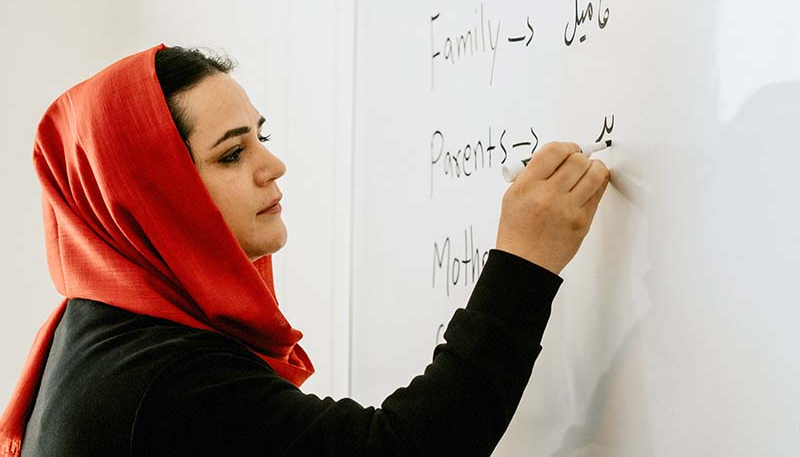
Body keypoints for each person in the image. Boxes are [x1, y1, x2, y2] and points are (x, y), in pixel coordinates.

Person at [0, 44, 609, 456]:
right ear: (152, 196)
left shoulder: (101, 325)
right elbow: (405, 448)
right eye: (232, 153)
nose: (273, 165)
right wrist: (524, 263)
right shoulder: (166, 381)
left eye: (261, 137)